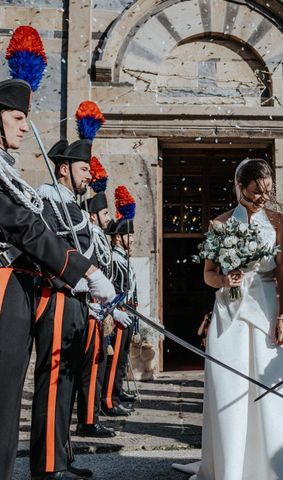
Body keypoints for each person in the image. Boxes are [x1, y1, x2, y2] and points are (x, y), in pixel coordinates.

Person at [0, 27, 116, 480]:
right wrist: (83, 270)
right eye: (16, 118)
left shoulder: (11, 175)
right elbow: (22, 226)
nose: (25, 126)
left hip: (28, 288)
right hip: (15, 284)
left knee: (11, 398)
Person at [174, 158, 283, 480]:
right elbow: (208, 274)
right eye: (255, 192)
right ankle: (231, 470)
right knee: (231, 388)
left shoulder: (277, 221)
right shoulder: (219, 224)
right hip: (230, 314)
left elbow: (282, 275)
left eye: (267, 192)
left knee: (272, 387)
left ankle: (277, 468)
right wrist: (226, 281)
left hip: (266, 309)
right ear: (240, 187)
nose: (262, 198)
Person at [75, 186, 117, 438]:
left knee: (98, 365)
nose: (108, 216)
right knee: (91, 367)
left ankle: (93, 416)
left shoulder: (99, 236)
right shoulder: (88, 235)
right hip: (91, 308)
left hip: (102, 309)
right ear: (92, 216)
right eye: (104, 212)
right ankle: (88, 421)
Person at [102, 212, 137, 416]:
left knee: (121, 359)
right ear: (117, 238)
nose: (131, 239)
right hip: (118, 313)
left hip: (128, 313)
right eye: (128, 235)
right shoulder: (113, 258)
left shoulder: (123, 257)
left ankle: (116, 394)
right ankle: (108, 401)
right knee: (113, 361)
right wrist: (114, 311)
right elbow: (109, 287)